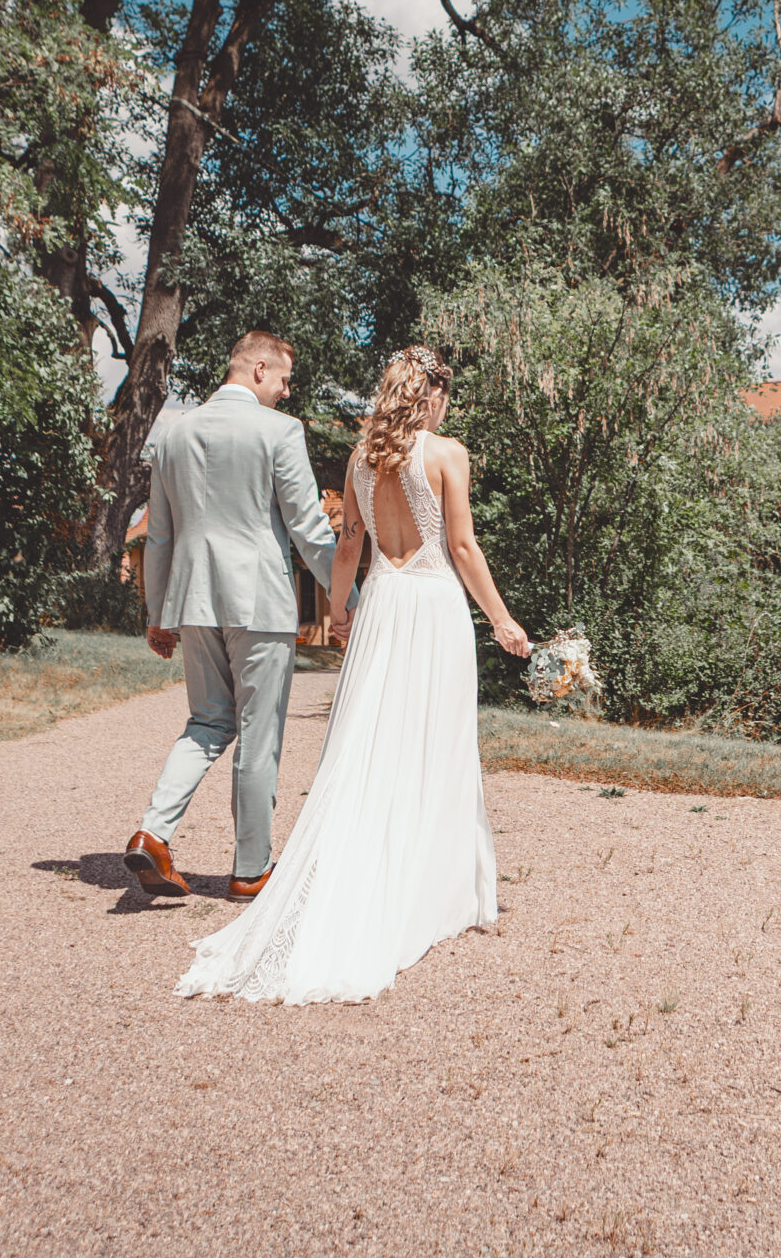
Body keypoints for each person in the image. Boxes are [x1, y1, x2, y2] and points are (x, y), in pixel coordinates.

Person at [175, 345, 532, 1004]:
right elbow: (460, 547)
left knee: (371, 741)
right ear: (434, 395)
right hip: (433, 608)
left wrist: (339, 614)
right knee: (438, 743)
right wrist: (504, 621)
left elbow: (348, 546)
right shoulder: (448, 454)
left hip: (384, 607)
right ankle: (444, 887)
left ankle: (376, 866)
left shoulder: (361, 459)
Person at [121, 331, 341, 901]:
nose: (287, 394)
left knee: (207, 723)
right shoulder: (279, 432)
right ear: (260, 368)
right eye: (285, 380)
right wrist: (351, 600)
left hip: (194, 603)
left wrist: (157, 612)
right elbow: (311, 532)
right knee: (256, 733)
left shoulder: (173, 435)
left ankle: (154, 831)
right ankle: (250, 870)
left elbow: (159, 535)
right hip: (260, 602)